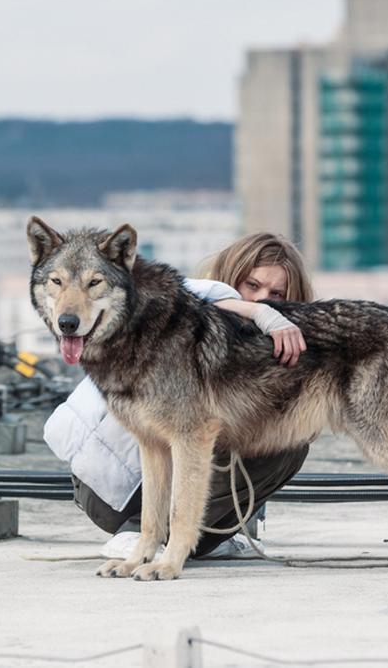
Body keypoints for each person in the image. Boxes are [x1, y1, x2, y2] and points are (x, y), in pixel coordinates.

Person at [43, 232, 316, 559]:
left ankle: (196, 538)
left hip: (118, 481)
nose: (261, 300)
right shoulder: (186, 304)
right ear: (231, 277)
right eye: (252, 286)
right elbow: (207, 298)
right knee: (248, 437)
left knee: (283, 433)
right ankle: (143, 534)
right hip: (106, 486)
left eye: (276, 294)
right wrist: (260, 313)